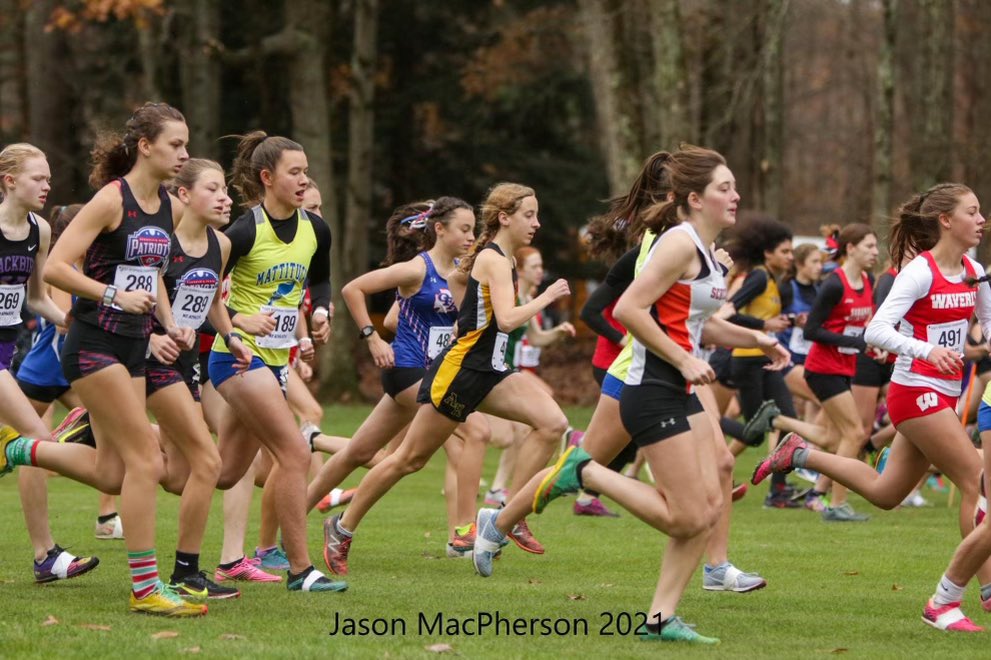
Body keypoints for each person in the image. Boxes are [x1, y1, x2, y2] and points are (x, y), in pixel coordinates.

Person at [471, 147, 789, 644]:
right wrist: (683, 357)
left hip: (676, 378)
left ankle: (675, 604)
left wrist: (756, 339)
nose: (736, 196)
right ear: (689, 197)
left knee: (712, 489)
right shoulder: (671, 243)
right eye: (724, 188)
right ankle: (553, 491)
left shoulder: (704, 250)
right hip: (643, 375)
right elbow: (625, 309)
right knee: (675, 505)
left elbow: (696, 324)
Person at [752, 183, 991, 632]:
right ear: (946, 221)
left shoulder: (974, 271)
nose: (982, 219)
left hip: (945, 393)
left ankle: (798, 453)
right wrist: (923, 350)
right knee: (975, 481)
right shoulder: (919, 272)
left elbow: (990, 325)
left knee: (885, 494)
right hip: (914, 393)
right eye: (973, 211)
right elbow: (877, 330)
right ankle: (960, 597)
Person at [14, 103, 206, 616]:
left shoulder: (168, 205)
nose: (185, 154)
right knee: (148, 459)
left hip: (135, 344)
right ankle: (146, 588)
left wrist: (171, 323)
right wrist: (112, 296)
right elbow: (55, 269)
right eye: (176, 144)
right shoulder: (111, 199)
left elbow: (157, 275)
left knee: (111, 472)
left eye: (187, 144)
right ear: (146, 146)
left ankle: (24, 450)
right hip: (94, 342)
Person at [321, 182, 571, 575]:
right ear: (505, 218)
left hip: (493, 369)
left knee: (553, 423)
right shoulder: (492, 258)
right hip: (461, 373)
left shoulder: (495, 258)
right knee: (408, 459)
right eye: (529, 215)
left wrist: (462, 316)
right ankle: (342, 526)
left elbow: (458, 282)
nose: (536, 224)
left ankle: (508, 515)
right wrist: (545, 298)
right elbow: (506, 318)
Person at [305, 196, 485, 564]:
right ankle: (466, 531)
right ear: (440, 229)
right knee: (474, 431)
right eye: (465, 229)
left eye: (474, 230)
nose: (472, 237)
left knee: (359, 453)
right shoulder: (415, 270)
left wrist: (447, 327)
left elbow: (394, 318)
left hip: (433, 374)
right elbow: (353, 289)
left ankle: (289, 519)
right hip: (408, 371)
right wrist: (371, 338)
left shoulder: (460, 271)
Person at [208, 131, 345, 593]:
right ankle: (300, 570)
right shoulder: (244, 231)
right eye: (295, 172)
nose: (305, 180)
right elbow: (199, 296)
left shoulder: (315, 229)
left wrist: (322, 313)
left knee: (223, 471)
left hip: (276, 362)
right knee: (294, 452)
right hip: (237, 359)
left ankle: (134, 444)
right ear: (267, 178)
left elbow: (321, 282)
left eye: (306, 171)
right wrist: (240, 319)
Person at [0, 146, 101, 585]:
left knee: (32, 445)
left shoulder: (38, 231)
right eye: (38, 178)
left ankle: (46, 556)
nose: (47, 186)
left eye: (48, 178)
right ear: (9, 181)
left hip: (8, 352)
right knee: (38, 440)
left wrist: (74, 324)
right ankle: (46, 555)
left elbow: (37, 298)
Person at [800, 223, 878, 521]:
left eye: (875, 247)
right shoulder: (834, 284)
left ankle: (817, 494)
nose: (874, 252)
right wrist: (854, 342)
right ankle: (837, 505)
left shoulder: (868, 281)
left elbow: (863, 325)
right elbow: (811, 330)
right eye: (869, 246)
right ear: (850, 249)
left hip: (845, 367)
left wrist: (874, 344)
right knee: (855, 433)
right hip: (822, 368)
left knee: (836, 438)